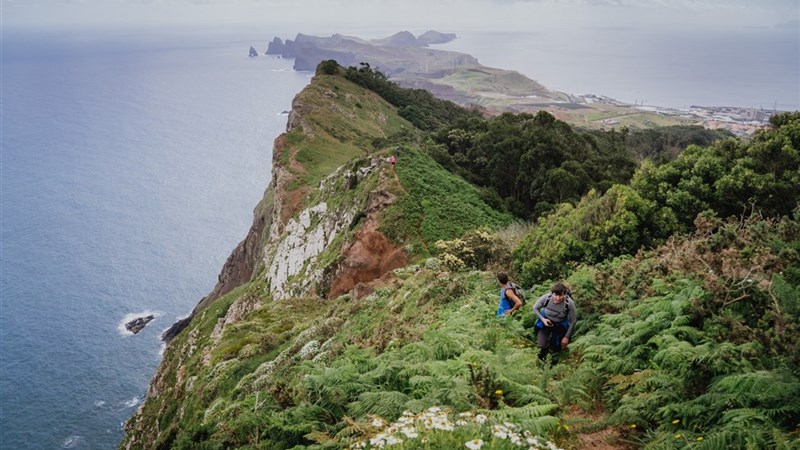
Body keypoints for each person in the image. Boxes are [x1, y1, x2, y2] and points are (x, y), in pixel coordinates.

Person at [532, 282, 577, 362]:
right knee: (541, 345)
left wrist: (566, 337)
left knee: (556, 346)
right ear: (552, 293)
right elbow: (535, 308)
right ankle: (541, 361)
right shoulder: (546, 298)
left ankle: (553, 362)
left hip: (559, 324)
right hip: (545, 322)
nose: (558, 298)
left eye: (560, 295)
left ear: (564, 294)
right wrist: (543, 319)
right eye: (555, 295)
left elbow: (573, 321)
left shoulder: (569, 303)